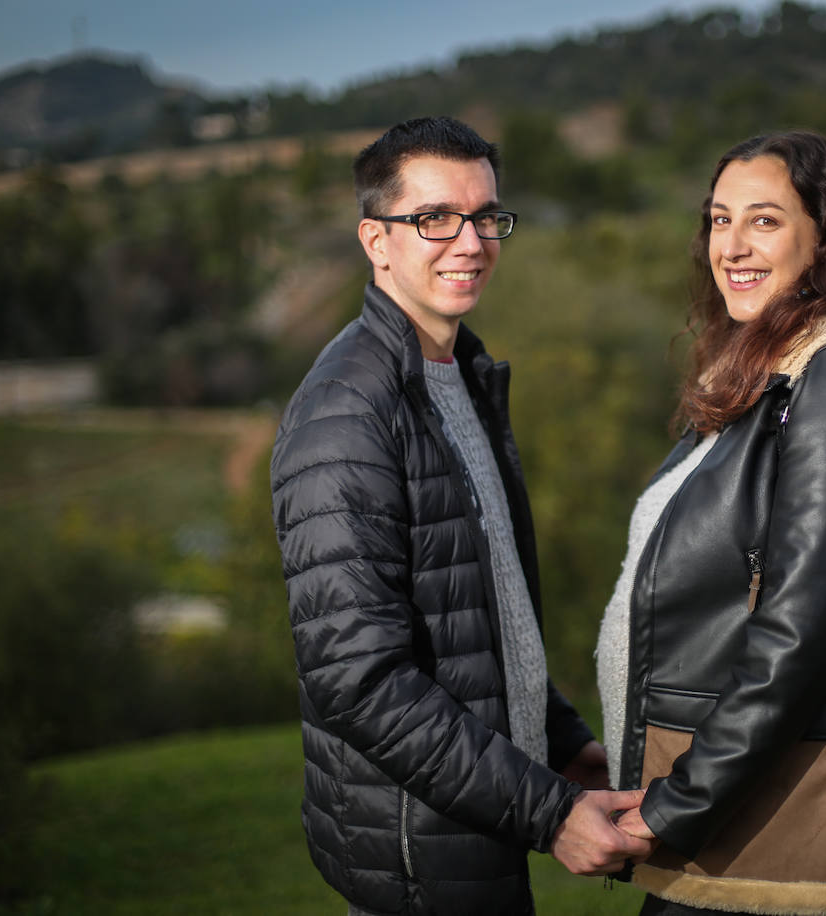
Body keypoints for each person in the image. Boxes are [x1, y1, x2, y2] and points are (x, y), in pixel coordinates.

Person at [271, 115, 653, 916]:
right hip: (419, 854)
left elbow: (484, 613)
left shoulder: (459, 376)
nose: (471, 242)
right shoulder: (348, 414)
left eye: (487, 216)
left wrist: (559, 746)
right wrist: (548, 814)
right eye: (435, 219)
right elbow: (360, 682)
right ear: (376, 240)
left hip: (476, 821)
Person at [597, 130, 826, 915]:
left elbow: (802, 629)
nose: (732, 246)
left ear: (825, 238)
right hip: (735, 807)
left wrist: (676, 804)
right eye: (720, 220)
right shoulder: (764, 373)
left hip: (788, 823)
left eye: (765, 220)